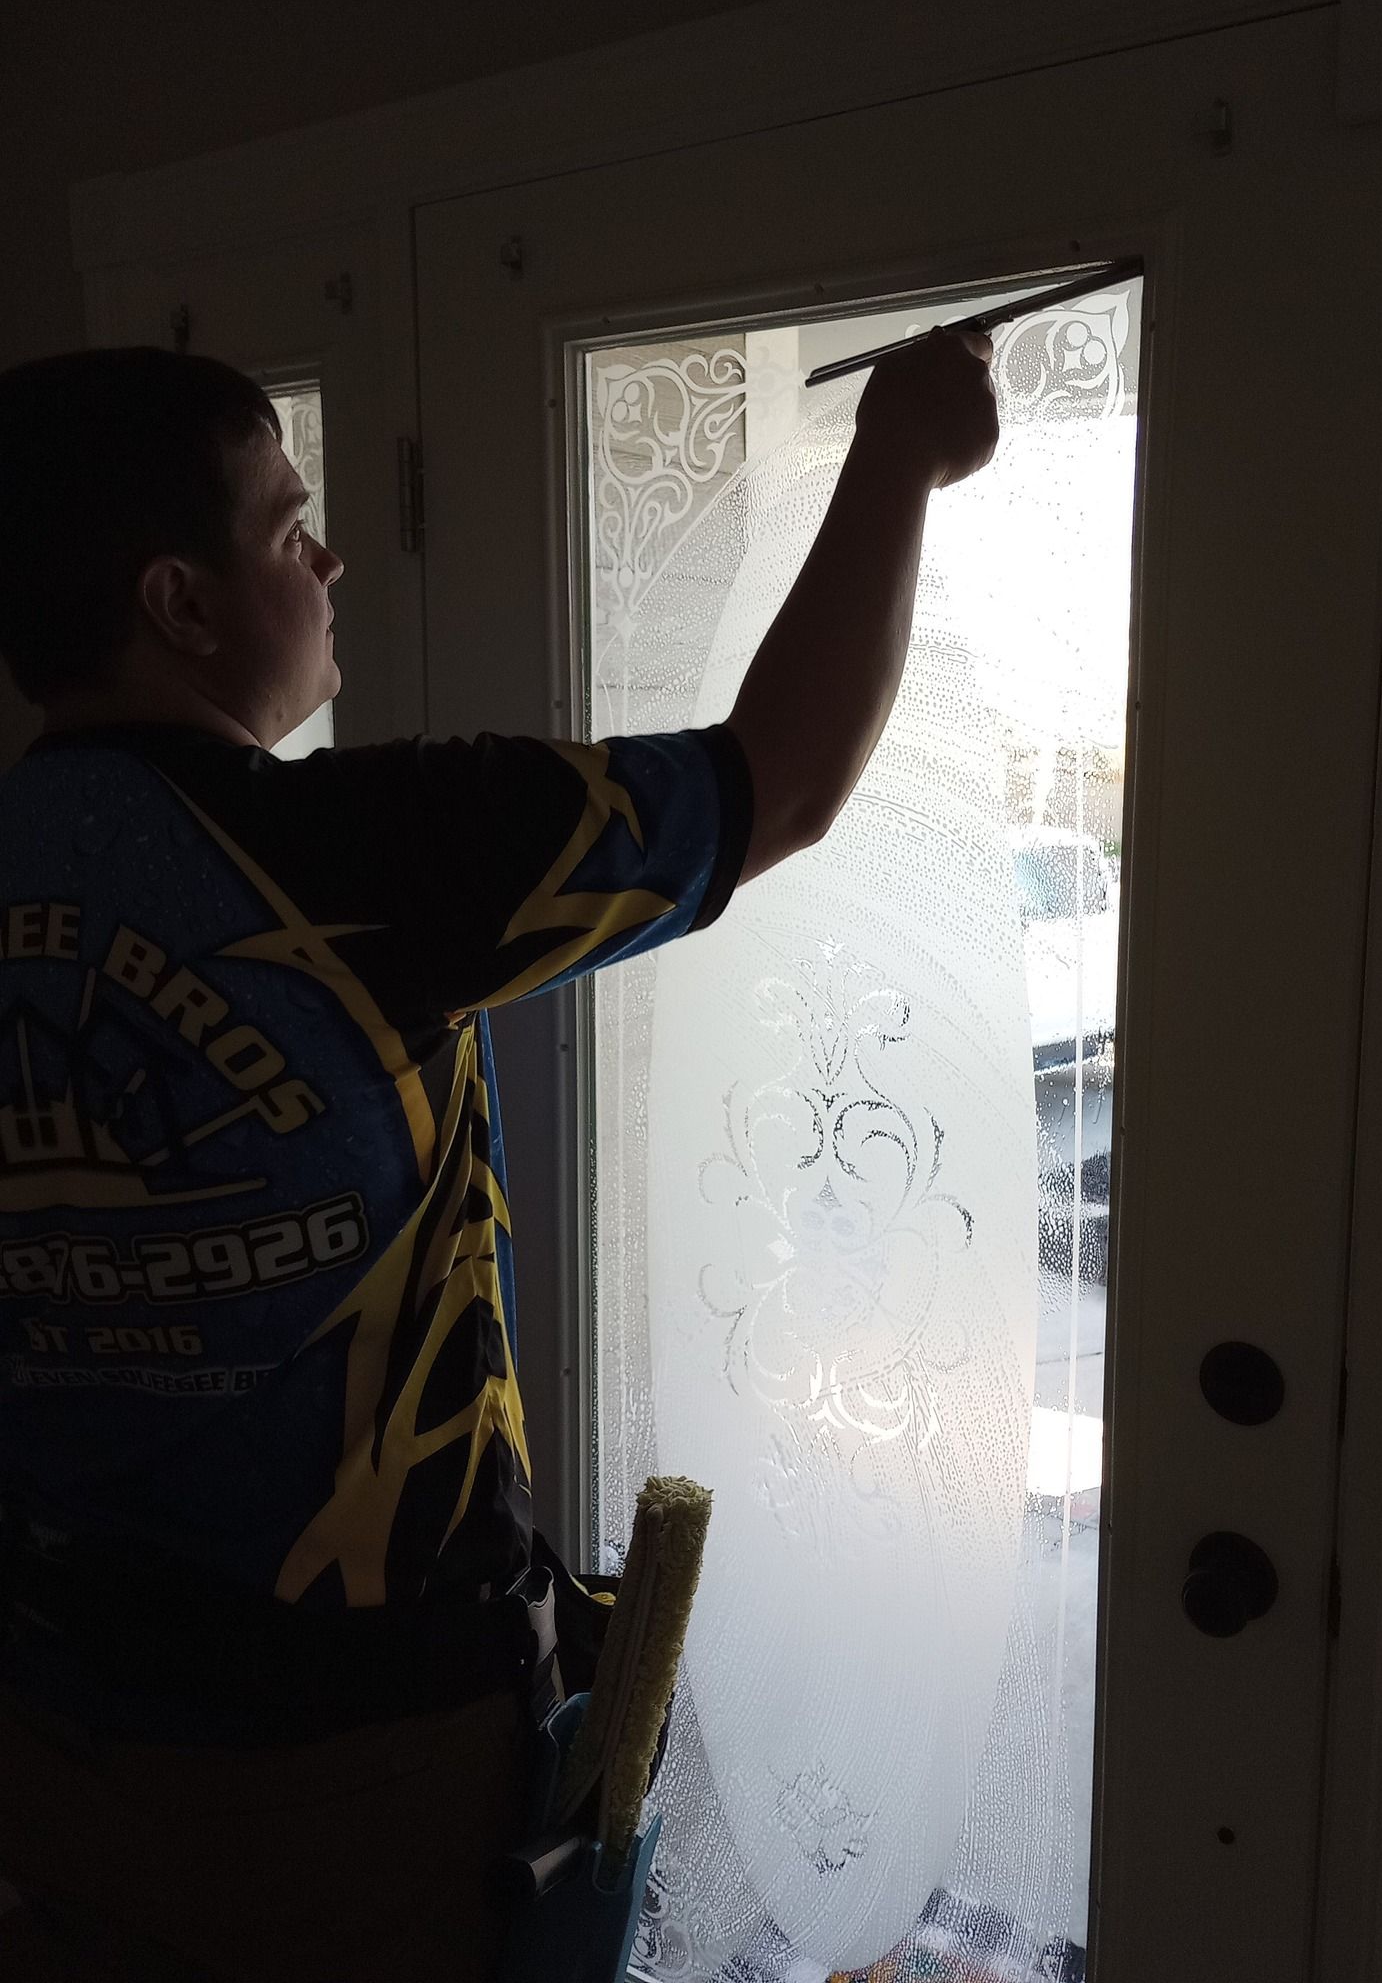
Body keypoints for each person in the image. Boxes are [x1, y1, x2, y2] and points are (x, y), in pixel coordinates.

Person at [0, 327, 997, 1981]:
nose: (327, 562)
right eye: (287, 529)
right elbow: (780, 782)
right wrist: (900, 457)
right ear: (181, 605)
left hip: (55, 1728)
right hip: (356, 1767)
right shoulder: (359, 852)